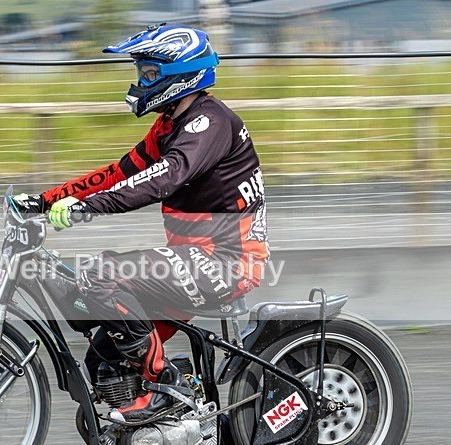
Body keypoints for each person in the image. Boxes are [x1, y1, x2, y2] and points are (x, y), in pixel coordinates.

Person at [14, 23, 269, 423]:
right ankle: (165, 421)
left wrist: (89, 208)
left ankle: (163, 384)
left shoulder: (209, 122)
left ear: (180, 74)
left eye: (149, 74)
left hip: (225, 262)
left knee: (103, 273)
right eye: (142, 74)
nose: (141, 81)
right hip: (191, 258)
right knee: (104, 359)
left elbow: (165, 176)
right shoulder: (170, 123)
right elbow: (120, 172)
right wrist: (46, 200)